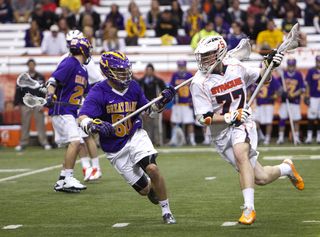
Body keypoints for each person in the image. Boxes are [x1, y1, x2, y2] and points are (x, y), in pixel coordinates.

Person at [190, 35, 304, 225]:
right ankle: (286, 168)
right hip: (221, 133)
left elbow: (262, 79)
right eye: (201, 56)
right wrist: (229, 117)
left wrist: (270, 65)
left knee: (240, 153)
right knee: (261, 178)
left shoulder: (236, 66)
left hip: (243, 122)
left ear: (219, 53)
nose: (203, 60)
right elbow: (203, 118)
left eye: (207, 55)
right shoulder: (198, 82)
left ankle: (249, 209)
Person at [78, 50, 177, 224]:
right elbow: (82, 118)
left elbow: (147, 115)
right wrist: (96, 125)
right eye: (120, 71)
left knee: (152, 169)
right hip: (114, 147)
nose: (125, 74)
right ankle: (151, 186)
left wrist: (160, 103)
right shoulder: (98, 92)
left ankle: (166, 211)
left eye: (126, 69)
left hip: (135, 135)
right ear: (107, 71)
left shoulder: (134, 87)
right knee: (145, 191)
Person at [59, 30, 104, 181]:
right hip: (70, 103)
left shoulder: (84, 61)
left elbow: (97, 80)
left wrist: (93, 100)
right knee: (78, 138)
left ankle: (96, 168)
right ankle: (87, 168)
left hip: (83, 101)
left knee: (87, 136)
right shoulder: (66, 59)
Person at [48, 36, 92, 192]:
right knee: (75, 142)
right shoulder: (69, 62)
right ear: (84, 49)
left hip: (71, 112)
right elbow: (53, 81)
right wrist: (50, 94)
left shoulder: (84, 70)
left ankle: (61, 180)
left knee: (76, 143)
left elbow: (86, 95)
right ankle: (68, 178)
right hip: (62, 111)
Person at [14, 59, 52, 151]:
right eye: (30, 64)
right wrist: (16, 103)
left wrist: (43, 103)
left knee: (40, 124)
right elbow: (18, 91)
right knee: (25, 124)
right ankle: (23, 143)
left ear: (35, 65)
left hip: (37, 103)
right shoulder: (23, 77)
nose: (31, 66)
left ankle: (44, 142)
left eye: (32, 64)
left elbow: (43, 91)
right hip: (25, 103)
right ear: (28, 65)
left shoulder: (40, 77)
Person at [276, 58, 305, 145]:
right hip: (285, 101)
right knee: (282, 119)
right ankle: (280, 138)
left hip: (295, 101)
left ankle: (296, 138)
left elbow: (302, 89)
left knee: (296, 120)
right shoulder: (283, 74)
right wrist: (282, 93)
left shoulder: (298, 75)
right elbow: (278, 86)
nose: (291, 66)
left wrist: (293, 95)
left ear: (295, 65)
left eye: (293, 65)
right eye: (290, 65)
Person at [168, 59, 196, 146]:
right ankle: (174, 138)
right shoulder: (175, 75)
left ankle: (192, 140)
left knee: (189, 122)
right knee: (174, 121)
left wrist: (192, 99)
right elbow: (171, 87)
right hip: (177, 103)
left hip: (187, 102)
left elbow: (193, 88)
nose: (181, 67)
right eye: (180, 66)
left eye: (182, 66)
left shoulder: (189, 75)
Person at [138, 63, 166, 146]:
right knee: (146, 124)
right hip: (145, 104)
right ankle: (147, 141)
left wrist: (160, 100)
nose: (149, 72)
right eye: (147, 70)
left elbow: (164, 91)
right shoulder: (142, 81)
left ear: (153, 71)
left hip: (155, 103)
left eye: (150, 70)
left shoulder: (158, 81)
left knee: (156, 124)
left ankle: (158, 141)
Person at [251, 74, 282, 145]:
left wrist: (275, 96)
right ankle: (261, 135)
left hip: (268, 103)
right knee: (254, 120)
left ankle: (267, 138)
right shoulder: (257, 78)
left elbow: (280, 89)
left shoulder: (271, 78)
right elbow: (255, 91)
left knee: (268, 122)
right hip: (259, 103)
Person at [304, 55, 320, 144]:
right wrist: (307, 96)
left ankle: (318, 137)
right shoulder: (311, 70)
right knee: (311, 117)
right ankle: (309, 137)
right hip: (313, 96)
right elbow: (307, 84)